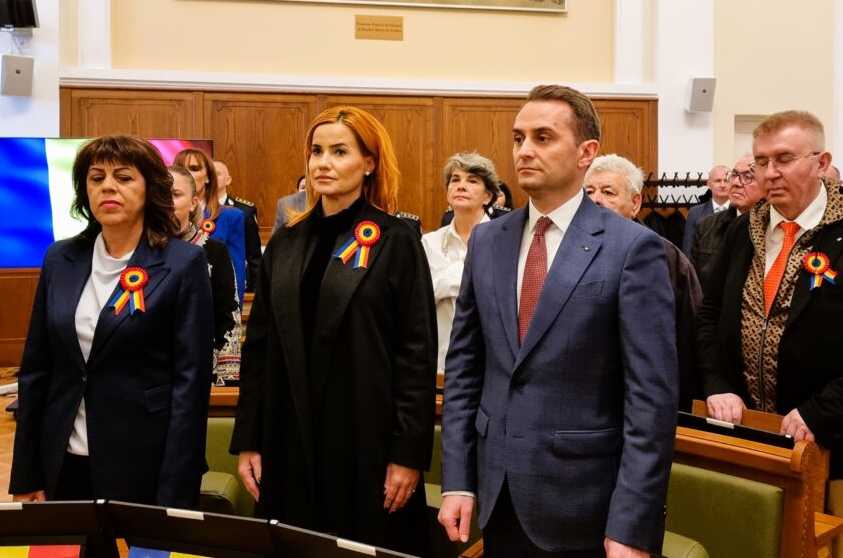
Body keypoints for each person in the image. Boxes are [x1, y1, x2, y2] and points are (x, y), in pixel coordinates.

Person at [439, 85, 677, 558]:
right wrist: (458, 480)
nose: (524, 150)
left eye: (543, 137)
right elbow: (465, 369)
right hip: (497, 492)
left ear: (586, 152)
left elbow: (651, 400)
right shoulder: (488, 241)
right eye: (518, 138)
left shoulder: (633, 248)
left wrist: (632, 523)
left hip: (585, 502)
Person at [696, 111, 843, 558]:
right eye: (761, 161)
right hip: (757, 432)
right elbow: (709, 316)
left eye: (784, 159)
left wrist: (825, 411)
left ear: (822, 162)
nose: (770, 173)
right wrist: (716, 383)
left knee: (840, 551)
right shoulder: (743, 230)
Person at [231, 107, 437, 554]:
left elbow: (416, 355)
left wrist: (407, 454)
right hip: (287, 435)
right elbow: (259, 347)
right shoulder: (286, 241)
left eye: (339, 152)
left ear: (369, 163)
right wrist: (249, 440)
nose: (323, 163)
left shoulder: (395, 240)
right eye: (316, 151)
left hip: (365, 438)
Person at [9, 135, 213, 506]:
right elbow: (36, 371)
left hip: (142, 462)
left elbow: (190, 387)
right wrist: (27, 472)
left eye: (123, 177)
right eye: (96, 177)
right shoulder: (59, 259)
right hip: (63, 460)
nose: (108, 186)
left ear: (149, 188)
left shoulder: (183, 263)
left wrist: (174, 494)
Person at [584, 153, 704, 413]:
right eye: (589, 192)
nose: (596, 199)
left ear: (635, 202)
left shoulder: (666, 257)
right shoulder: (567, 252)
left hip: (645, 401)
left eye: (608, 192)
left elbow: (688, 340)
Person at [422, 152, 501, 373]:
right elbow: (418, 301)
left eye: (472, 180)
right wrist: (461, 272)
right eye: (455, 180)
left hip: (490, 366)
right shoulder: (429, 243)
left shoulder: (505, 241)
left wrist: (442, 284)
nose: (461, 186)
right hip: (438, 365)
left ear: (487, 196)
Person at [169, 165, 242, 385]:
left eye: (175, 194)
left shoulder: (213, 251)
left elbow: (229, 317)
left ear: (193, 203)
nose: (166, 201)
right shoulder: (138, 249)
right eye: (160, 193)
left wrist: (228, 379)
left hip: (199, 373)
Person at [173, 148, 247, 310]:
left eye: (194, 169)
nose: (187, 174)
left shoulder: (230, 216)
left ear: (207, 177)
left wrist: (234, 315)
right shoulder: (165, 217)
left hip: (211, 306)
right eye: (181, 169)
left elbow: (236, 274)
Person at [690, 154, 764, 289]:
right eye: (734, 175)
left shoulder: (775, 228)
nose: (736, 182)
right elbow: (694, 284)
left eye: (747, 177)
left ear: (766, 184)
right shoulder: (706, 226)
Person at [214, 160, 261, 292]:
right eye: (209, 174)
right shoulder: (197, 209)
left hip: (236, 282)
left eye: (217, 174)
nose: (212, 177)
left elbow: (254, 257)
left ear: (228, 180)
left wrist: (255, 292)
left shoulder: (245, 210)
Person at [681, 165, 730, 256]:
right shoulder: (695, 213)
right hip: (703, 264)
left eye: (726, 181)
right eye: (718, 181)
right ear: (709, 184)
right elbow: (688, 249)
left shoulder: (740, 211)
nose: (722, 185)